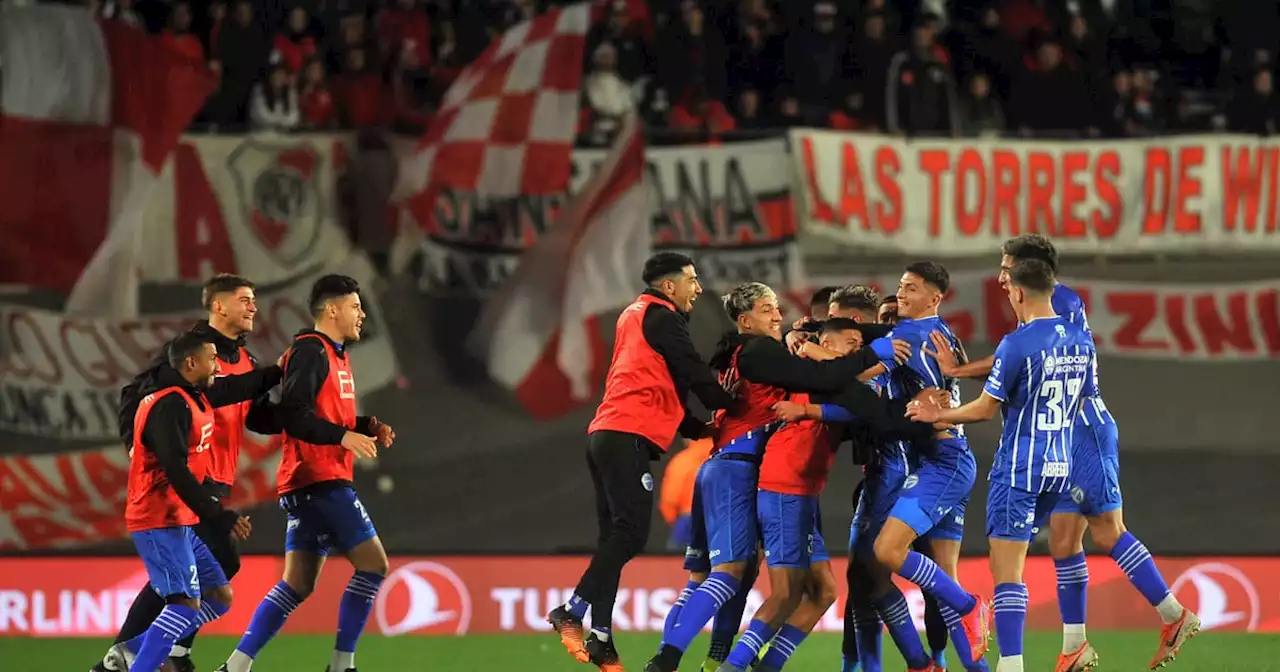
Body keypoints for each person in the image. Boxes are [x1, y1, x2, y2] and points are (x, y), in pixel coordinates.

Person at [926, 235, 1200, 671]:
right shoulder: (1053, 317)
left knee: (1106, 531)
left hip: (1080, 430)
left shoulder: (1058, 305)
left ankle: (1172, 613)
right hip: (1061, 436)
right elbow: (1015, 358)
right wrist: (962, 371)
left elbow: (1020, 360)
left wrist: (953, 385)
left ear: (1027, 271)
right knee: (1064, 540)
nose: (1001, 275)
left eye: (1006, 266)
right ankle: (1075, 644)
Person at [645, 282, 910, 672]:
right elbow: (827, 379)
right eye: (767, 308)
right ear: (744, 319)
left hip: (730, 467)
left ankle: (713, 658)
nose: (777, 314)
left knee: (740, 578)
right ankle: (671, 661)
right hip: (749, 470)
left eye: (776, 307)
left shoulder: (752, 354)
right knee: (736, 574)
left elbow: (823, 373)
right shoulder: (762, 350)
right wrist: (873, 357)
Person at [548, 253, 736, 672]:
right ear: (669, 287)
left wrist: (703, 426)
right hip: (627, 436)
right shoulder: (665, 318)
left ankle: (601, 639)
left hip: (605, 433)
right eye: (691, 280)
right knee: (632, 535)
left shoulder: (633, 316)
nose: (698, 289)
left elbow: (665, 384)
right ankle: (570, 611)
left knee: (613, 539)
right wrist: (733, 406)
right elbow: (690, 370)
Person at [907, 257, 1096, 672]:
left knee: (1007, 572)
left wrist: (937, 416)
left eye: (1009, 287)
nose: (1007, 292)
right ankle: (1071, 642)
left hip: (1019, 469)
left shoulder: (1018, 343)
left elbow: (984, 410)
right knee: (1027, 558)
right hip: (1060, 467)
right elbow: (1085, 397)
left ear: (1019, 292)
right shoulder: (1082, 340)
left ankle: (1011, 666)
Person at [95, 274, 280, 672]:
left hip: (214, 481)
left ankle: (143, 654)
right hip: (186, 486)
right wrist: (136, 442)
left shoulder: (243, 361)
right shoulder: (188, 355)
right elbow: (138, 392)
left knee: (206, 574)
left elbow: (258, 414)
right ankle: (139, 657)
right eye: (245, 299)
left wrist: (309, 419)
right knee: (203, 573)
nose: (253, 307)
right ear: (218, 306)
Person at [732, 318, 935, 672]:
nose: (858, 351)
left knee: (824, 592)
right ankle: (733, 666)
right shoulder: (811, 372)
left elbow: (859, 407)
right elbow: (853, 403)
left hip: (803, 493)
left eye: (861, 344)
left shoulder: (834, 374)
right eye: (851, 344)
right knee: (784, 592)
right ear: (827, 342)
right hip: (784, 487)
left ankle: (768, 666)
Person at [218, 275, 395, 672]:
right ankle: (341, 665)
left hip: (310, 482)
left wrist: (364, 426)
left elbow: (319, 415)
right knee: (373, 565)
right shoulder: (312, 351)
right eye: (355, 306)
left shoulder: (333, 354)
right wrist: (343, 437)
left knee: (296, 584)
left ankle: (235, 666)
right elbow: (296, 417)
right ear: (332, 310)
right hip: (319, 479)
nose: (362, 314)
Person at [866, 262, 989, 671]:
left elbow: (860, 371)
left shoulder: (906, 335)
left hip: (940, 462)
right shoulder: (943, 332)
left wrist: (816, 351)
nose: (901, 294)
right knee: (943, 580)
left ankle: (971, 607)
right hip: (949, 458)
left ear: (934, 297)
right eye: (901, 286)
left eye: (912, 289)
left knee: (886, 550)